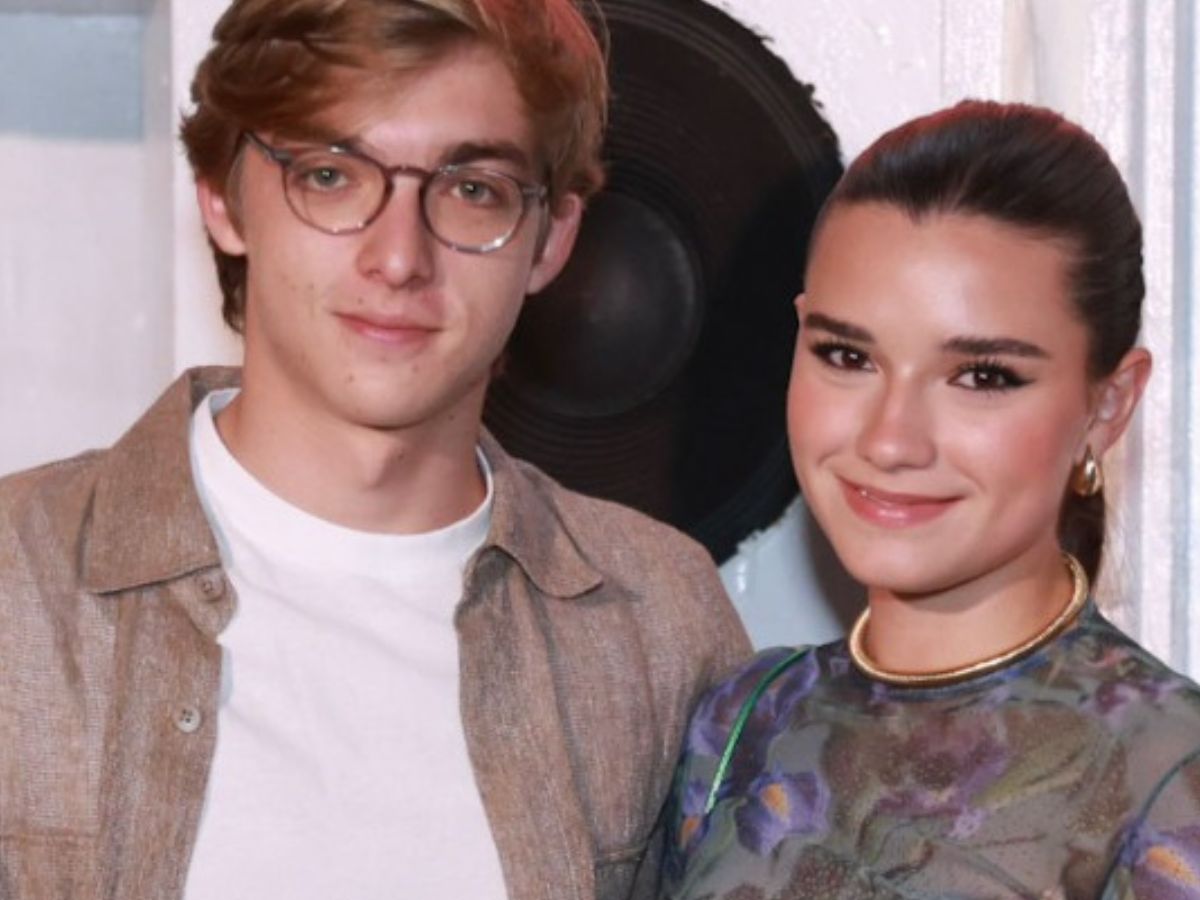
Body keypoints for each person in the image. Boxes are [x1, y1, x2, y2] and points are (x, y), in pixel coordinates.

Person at [0, 2, 750, 898]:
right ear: (222, 197)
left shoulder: (659, 622)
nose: (398, 258)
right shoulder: (18, 583)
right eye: (330, 175)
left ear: (551, 240)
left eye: (473, 190)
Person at [660, 101, 1200, 899]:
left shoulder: (1172, 777)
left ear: (1107, 406)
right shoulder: (743, 724)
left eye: (982, 376)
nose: (890, 440)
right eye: (847, 356)